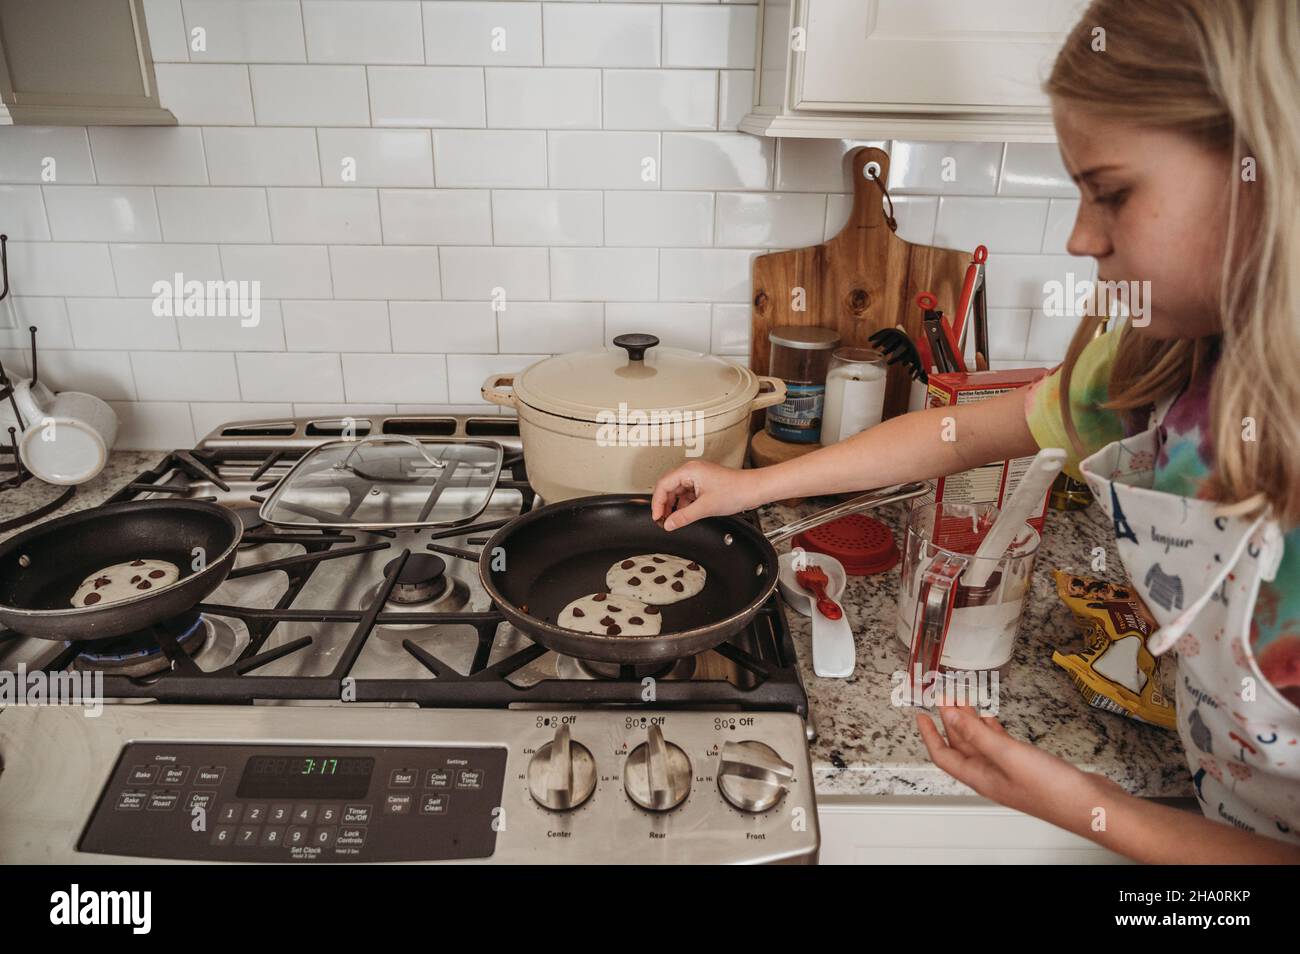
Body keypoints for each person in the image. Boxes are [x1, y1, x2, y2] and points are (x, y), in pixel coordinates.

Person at [650, 0, 1300, 863]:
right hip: (1221, 806)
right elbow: (957, 437)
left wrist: (1093, 808)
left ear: (1267, 163)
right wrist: (751, 485)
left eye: (1111, 193)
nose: (1077, 237)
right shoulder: (1156, 364)